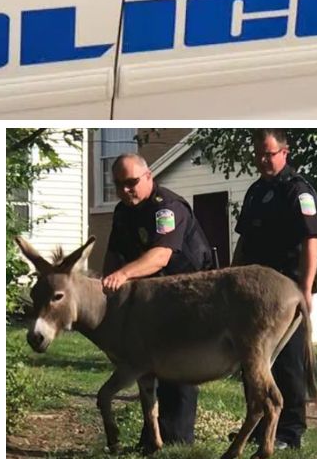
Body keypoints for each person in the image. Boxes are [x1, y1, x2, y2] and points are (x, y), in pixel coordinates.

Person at [102, 153, 214, 451]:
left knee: (178, 363)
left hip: (190, 292)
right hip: (156, 296)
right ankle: (153, 438)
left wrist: (123, 275)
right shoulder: (123, 212)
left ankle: (178, 440)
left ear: (148, 176)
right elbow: (113, 255)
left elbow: (161, 255)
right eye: (119, 185)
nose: (126, 190)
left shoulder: (166, 206)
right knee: (153, 362)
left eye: (132, 182)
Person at [233, 128, 317, 451]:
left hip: (285, 290)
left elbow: (310, 240)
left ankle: (290, 432)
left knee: (287, 361)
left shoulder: (298, 191)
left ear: (284, 152)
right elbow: (244, 240)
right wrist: (232, 276)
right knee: (253, 359)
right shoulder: (255, 192)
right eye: (258, 154)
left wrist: (306, 289)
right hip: (253, 292)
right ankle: (256, 424)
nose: (262, 159)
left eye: (269, 154)